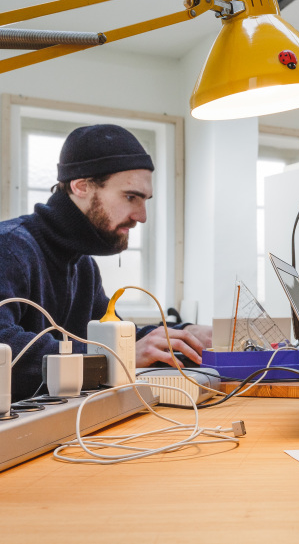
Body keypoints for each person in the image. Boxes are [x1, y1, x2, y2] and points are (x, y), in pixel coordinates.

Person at [0, 124, 211, 402]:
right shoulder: (10, 247)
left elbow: (115, 337)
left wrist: (183, 335)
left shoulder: (82, 265)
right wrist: (115, 358)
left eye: (145, 200)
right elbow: (4, 348)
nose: (141, 216)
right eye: (130, 197)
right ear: (81, 186)